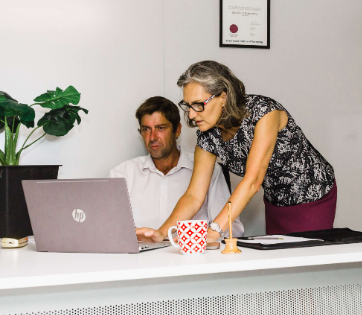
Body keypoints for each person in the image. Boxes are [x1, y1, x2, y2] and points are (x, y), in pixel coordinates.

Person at [136, 61, 336, 244]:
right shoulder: (208, 134)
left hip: (313, 194)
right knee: (282, 265)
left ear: (223, 97)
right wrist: (162, 233)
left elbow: (253, 181)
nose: (192, 114)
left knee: (306, 264)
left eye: (198, 105)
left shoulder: (264, 112)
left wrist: (214, 231)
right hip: (276, 201)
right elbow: (193, 195)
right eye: (187, 106)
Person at [110, 96, 243, 236]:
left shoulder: (208, 170)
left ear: (177, 130)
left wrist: (197, 242)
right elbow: (109, 231)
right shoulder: (122, 174)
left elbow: (231, 229)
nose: (153, 137)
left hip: (191, 255)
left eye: (160, 128)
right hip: (140, 256)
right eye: (146, 129)